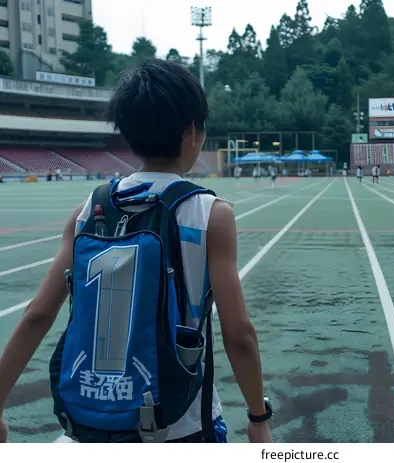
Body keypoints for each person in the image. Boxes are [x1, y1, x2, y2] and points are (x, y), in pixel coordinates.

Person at [0, 59, 273, 444]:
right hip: (181, 423)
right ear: (191, 133)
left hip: (92, 423)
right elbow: (239, 333)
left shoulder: (87, 211)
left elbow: (37, 315)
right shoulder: (210, 214)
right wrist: (259, 417)